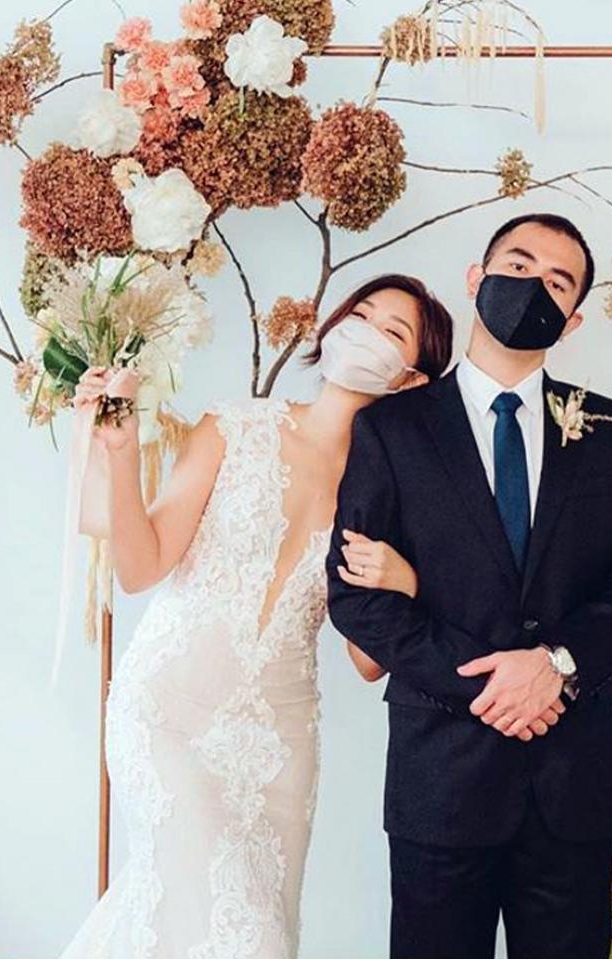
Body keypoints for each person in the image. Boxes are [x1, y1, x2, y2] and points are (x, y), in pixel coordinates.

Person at [60, 274, 455, 959]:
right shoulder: (234, 426)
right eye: (358, 314)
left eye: (390, 331)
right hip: (168, 713)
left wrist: (408, 580)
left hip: (279, 749)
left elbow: (367, 662)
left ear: (412, 380)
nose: (363, 331)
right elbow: (142, 566)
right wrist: (121, 458)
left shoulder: (390, 495)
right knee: (244, 939)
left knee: (188, 927)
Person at [327, 214, 612, 959]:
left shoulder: (610, 432)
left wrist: (556, 668)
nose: (531, 286)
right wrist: (495, 685)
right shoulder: (392, 430)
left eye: (555, 281)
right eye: (517, 265)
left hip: (570, 783)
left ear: (574, 317)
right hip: (440, 779)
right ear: (475, 279)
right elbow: (356, 596)